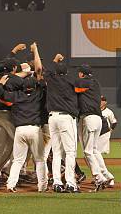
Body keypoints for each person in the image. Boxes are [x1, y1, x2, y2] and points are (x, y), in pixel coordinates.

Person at [0, 43, 48, 193]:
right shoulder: (39, 94)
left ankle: (11, 185)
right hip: (34, 130)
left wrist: (0, 84)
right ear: (35, 86)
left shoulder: (17, 95)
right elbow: (39, 71)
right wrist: (36, 50)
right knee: (39, 160)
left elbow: (1, 95)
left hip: (20, 130)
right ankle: (42, 186)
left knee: (18, 160)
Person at [43, 54, 80, 193]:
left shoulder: (51, 80)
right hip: (65, 117)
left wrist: (54, 60)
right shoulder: (71, 80)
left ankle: (57, 183)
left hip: (52, 118)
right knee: (70, 152)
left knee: (57, 152)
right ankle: (71, 183)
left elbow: (46, 72)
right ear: (66, 72)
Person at [75, 65, 113, 191]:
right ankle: (107, 175)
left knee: (87, 151)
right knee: (95, 149)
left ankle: (99, 177)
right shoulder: (95, 82)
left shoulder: (83, 81)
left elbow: (74, 87)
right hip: (98, 119)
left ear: (81, 74)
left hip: (89, 118)